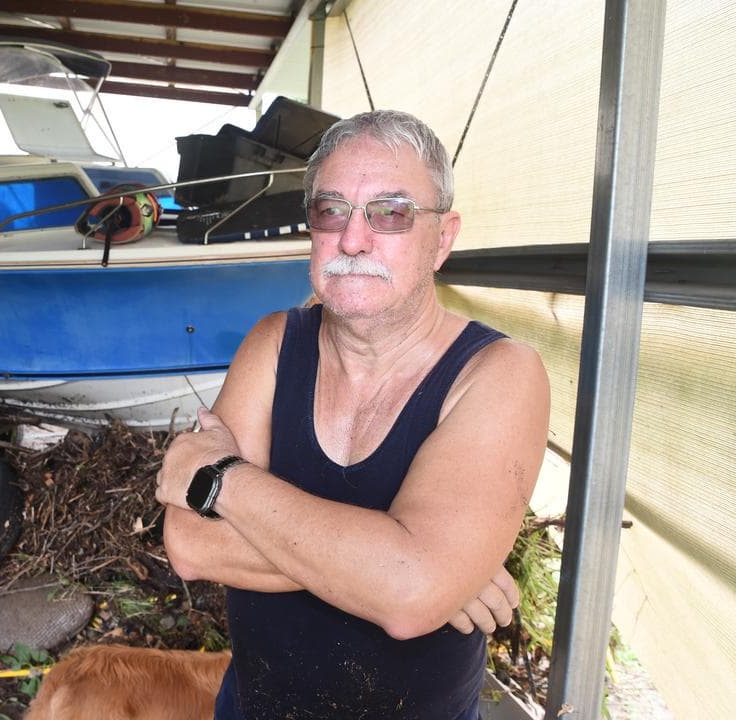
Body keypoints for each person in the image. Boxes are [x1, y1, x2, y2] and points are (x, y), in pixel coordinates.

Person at [155, 109, 550, 720]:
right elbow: (190, 544)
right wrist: (420, 568)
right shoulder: (275, 343)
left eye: (391, 212)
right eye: (330, 210)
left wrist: (220, 482)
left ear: (442, 238)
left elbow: (410, 591)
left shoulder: (498, 373)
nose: (353, 239)